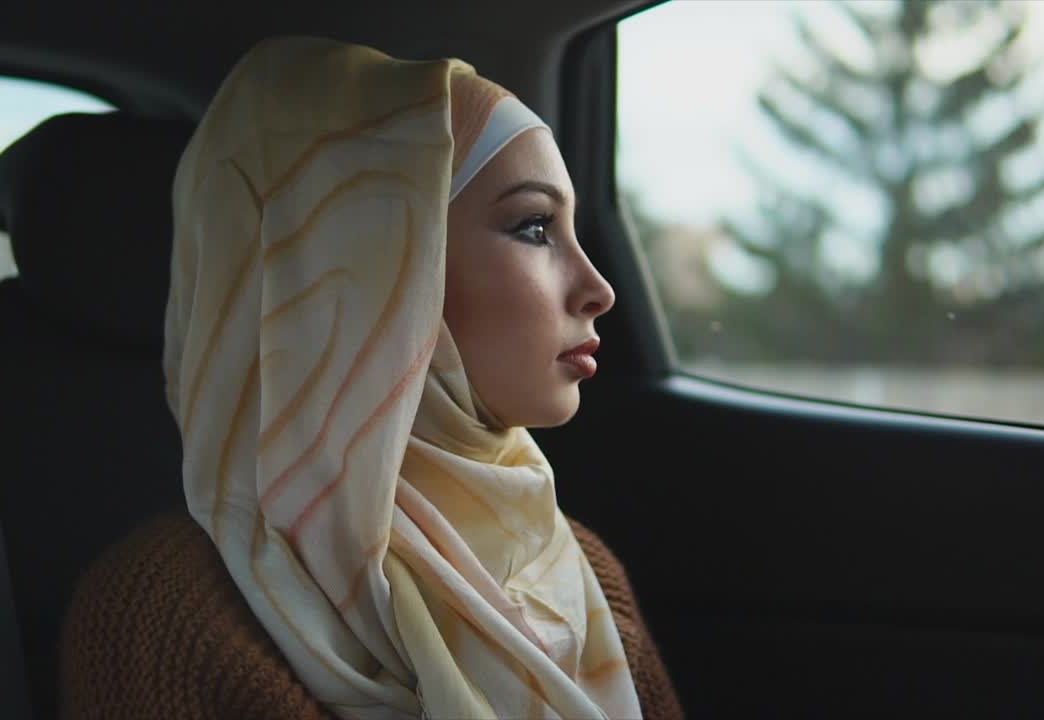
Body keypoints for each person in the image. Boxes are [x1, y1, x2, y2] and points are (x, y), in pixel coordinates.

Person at [61, 35, 682, 720]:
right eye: (535, 227)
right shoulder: (164, 615)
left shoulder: (581, 570)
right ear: (361, 268)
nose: (598, 289)